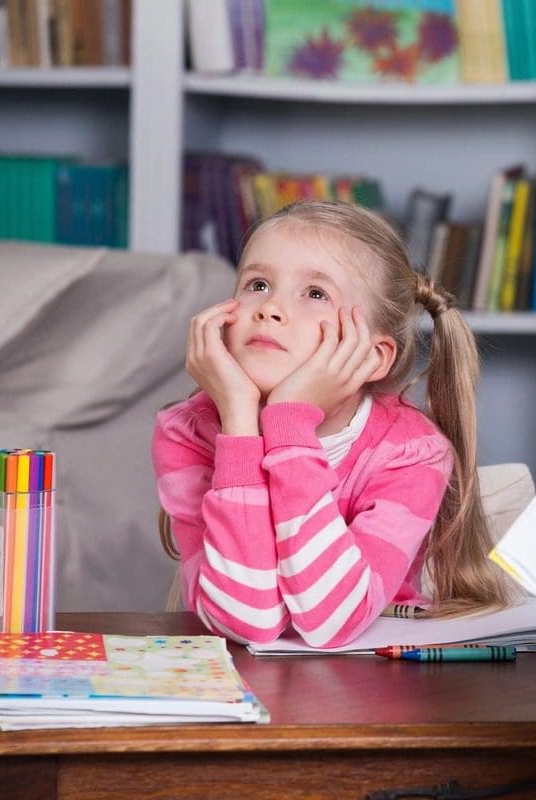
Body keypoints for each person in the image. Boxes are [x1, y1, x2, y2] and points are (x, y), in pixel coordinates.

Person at [153, 200, 508, 648]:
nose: (270, 309)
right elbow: (248, 621)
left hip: (371, 690)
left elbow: (332, 623)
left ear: (372, 356)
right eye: (258, 284)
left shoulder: (411, 453)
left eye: (315, 293)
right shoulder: (188, 433)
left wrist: (289, 423)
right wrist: (240, 422)